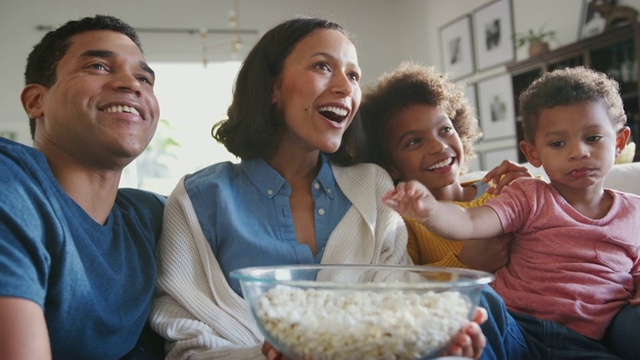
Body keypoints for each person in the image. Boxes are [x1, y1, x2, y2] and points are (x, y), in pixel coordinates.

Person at [150, 16, 493, 360]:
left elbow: (399, 309)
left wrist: (435, 343)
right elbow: (186, 341)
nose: (346, 87)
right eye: (323, 66)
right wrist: (263, 355)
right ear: (272, 87)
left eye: (354, 75)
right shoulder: (198, 198)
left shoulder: (373, 187)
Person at [383, 66, 639, 359]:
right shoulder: (526, 195)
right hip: (515, 327)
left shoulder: (633, 213)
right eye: (558, 143)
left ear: (619, 142)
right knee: (479, 298)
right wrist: (429, 210)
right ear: (533, 154)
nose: (578, 152)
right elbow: (468, 222)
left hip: (584, 343)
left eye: (593, 138)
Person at [0, 15, 166, 359]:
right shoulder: (10, 181)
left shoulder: (152, 216)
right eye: (98, 66)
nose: (131, 84)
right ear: (35, 102)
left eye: (144, 78)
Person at [360, 61, 530, 273]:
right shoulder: (406, 223)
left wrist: (535, 191)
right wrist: (463, 265)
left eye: (445, 129)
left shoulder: (503, 189)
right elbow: (408, 285)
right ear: (390, 166)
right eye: (414, 142)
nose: (438, 146)